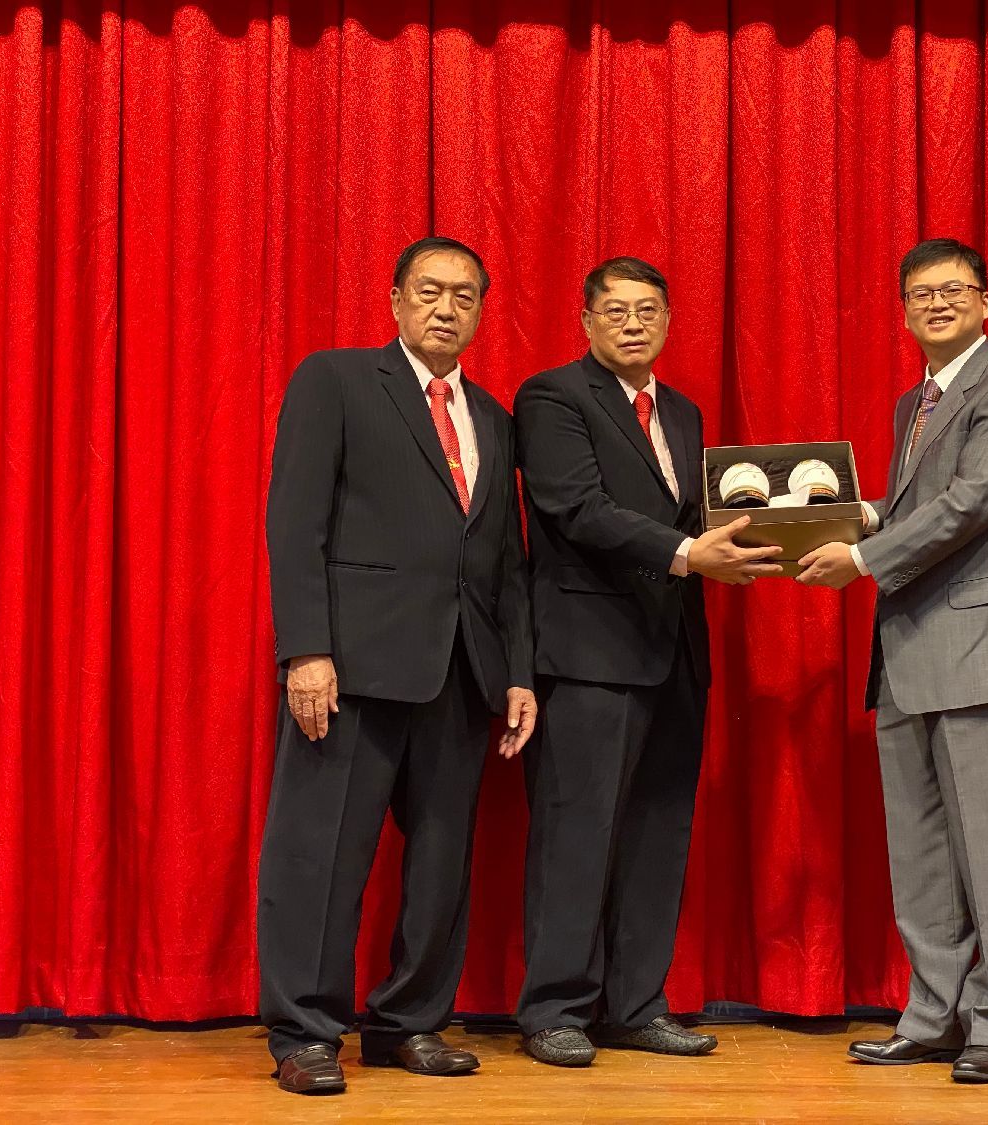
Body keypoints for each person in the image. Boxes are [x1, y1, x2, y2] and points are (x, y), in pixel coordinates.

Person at [258, 236, 536, 1094]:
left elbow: (505, 559)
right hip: (351, 667)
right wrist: (307, 649)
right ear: (396, 300)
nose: (447, 308)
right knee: (320, 855)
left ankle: (409, 1021)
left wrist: (518, 670)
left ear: (481, 310)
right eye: (430, 290)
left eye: (464, 295)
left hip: (461, 671)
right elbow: (294, 521)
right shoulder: (336, 380)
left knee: (441, 862)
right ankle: (305, 1032)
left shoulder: (492, 416)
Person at [798, 238, 988, 1084]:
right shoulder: (916, 402)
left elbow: (973, 501)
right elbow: (921, 505)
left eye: (953, 289)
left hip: (979, 651)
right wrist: (859, 515)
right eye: (920, 294)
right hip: (907, 651)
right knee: (920, 853)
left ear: (986, 302)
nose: (937, 303)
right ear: (904, 311)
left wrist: (862, 556)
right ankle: (932, 1015)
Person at [512, 256, 781, 1067]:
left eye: (648, 310)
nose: (633, 323)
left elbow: (697, 517)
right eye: (617, 310)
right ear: (586, 321)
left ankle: (634, 1004)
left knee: (659, 833)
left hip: (675, 654)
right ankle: (555, 1008)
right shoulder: (553, 397)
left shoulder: (684, 412)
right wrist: (691, 554)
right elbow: (576, 507)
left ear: (668, 320)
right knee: (577, 833)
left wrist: (789, 530)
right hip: (588, 654)